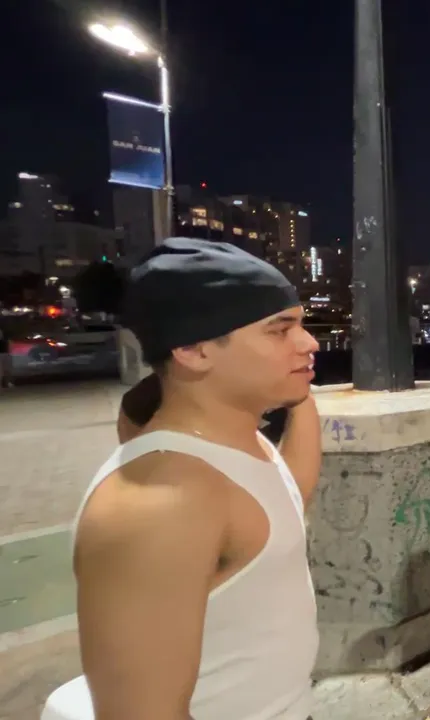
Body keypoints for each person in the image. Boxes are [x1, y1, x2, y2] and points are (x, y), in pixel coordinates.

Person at [42, 238, 323, 720]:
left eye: (301, 325)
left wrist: (297, 389)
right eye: (280, 330)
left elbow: (286, 504)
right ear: (192, 349)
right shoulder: (161, 503)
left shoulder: (242, 447)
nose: (310, 343)